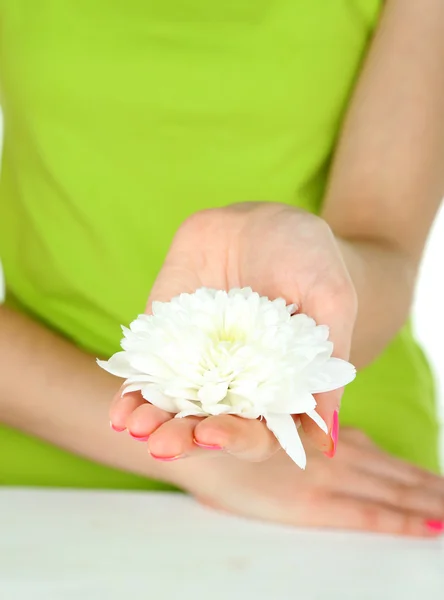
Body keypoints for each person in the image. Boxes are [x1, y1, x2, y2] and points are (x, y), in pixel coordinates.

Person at [0, 0, 443, 537]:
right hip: (45, 470)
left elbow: (384, 248)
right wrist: (216, 462)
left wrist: (320, 268)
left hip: (337, 461)